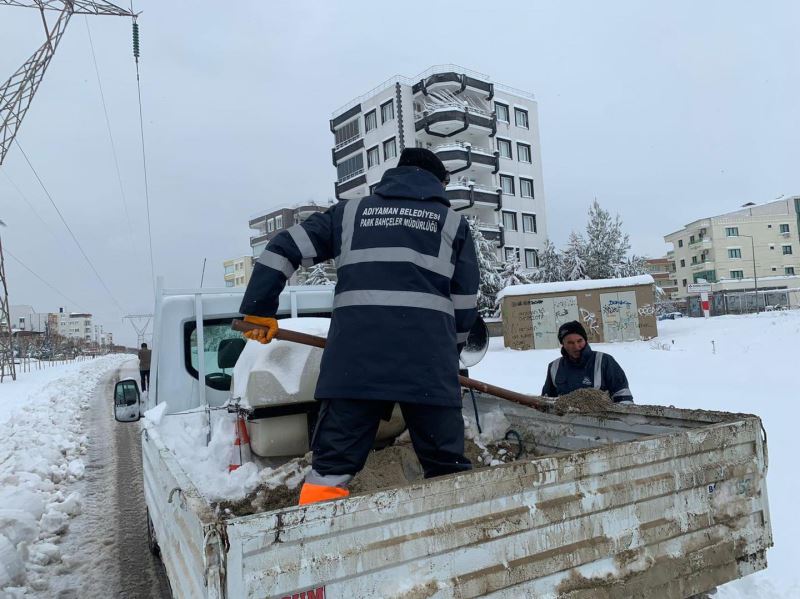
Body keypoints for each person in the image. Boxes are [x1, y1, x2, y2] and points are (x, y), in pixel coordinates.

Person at [240, 147, 480, 505]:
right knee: (447, 470)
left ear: (395, 175)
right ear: (438, 182)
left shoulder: (350, 214)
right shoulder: (451, 224)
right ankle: (459, 544)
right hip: (428, 365)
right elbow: (464, 306)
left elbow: (283, 247)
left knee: (331, 469)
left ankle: (315, 544)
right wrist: (451, 354)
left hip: (355, 365)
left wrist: (258, 308)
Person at [541, 321, 633, 403]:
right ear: (563, 344)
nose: (576, 346)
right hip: (566, 420)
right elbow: (547, 401)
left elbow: (622, 395)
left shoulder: (604, 361)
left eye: (579, 341)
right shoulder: (554, 367)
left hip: (602, 420)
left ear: (585, 340)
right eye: (570, 343)